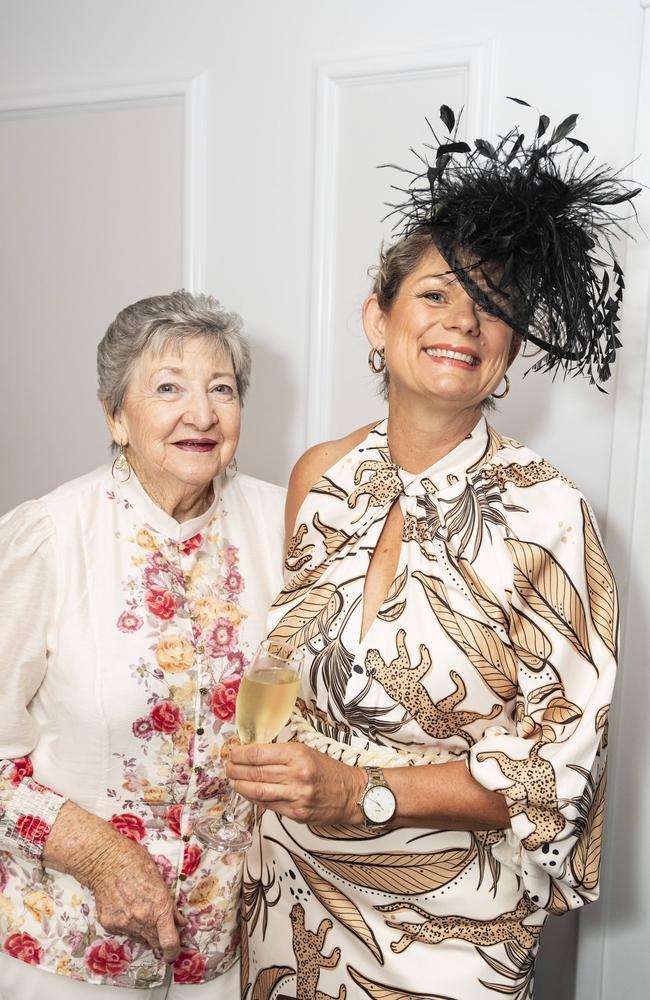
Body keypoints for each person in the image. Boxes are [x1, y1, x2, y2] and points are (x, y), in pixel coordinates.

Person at [231, 101, 638, 998]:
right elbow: (282, 676)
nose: (463, 320)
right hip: (286, 900)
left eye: (493, 305)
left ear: (511, 349)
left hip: (451, 930)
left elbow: (556, 774)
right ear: (376, 320)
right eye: (435, 292)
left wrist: (365, 791)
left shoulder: (552, 514)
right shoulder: (319, 474)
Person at [0, 291, 285, 997]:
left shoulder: (286, 524)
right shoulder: (50, 535)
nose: (202, 412)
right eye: (168, 388)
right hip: (63, 951)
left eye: (222, 388)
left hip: (225, 954)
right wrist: (98, 854)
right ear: (115, 417)